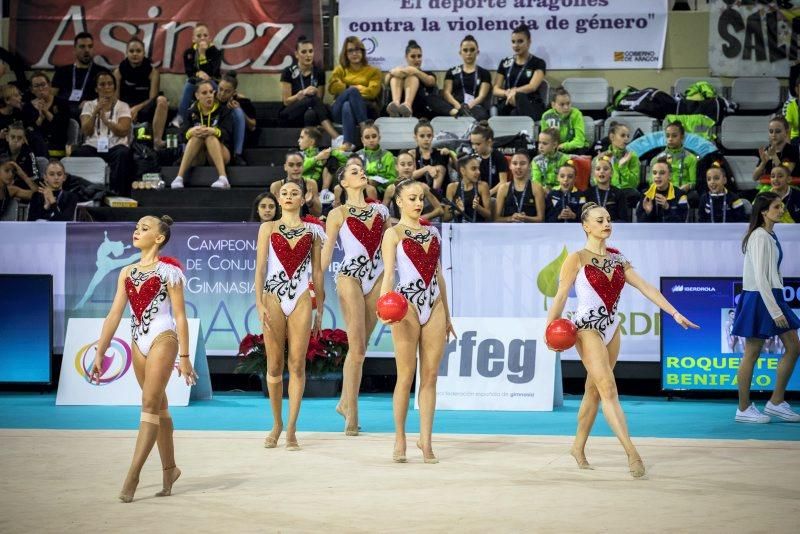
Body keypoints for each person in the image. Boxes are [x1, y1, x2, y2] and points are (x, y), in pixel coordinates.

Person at [547, 202, 698, 477]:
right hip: (586, 328)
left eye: (608, 219)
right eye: (600, 220)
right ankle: (632, 454)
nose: (606, 223)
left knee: (593, 391)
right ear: (586, 226)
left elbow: (646, 287)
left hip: (612, 328)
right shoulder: (576, 258)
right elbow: (560, 296)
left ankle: (577, 447)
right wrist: (549, 331)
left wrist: (674, 313)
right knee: (608, 389)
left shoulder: (618, 257)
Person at [90, 215, 196, 502]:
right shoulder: (126, 272)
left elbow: (180, 316)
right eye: (136, 228)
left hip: (164, 338)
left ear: (159, 238)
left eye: (145, 229)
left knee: (149, 403)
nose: (137, 231)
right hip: (138, 341)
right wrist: (101, 350)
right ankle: (170, 469)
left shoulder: (168, 272)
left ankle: (133, 475)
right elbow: (114, 314)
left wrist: (185, 356)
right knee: (159, 409)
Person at [378, 179, 456, 463]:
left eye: (420, 197)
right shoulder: (394, 234)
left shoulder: (433, 233)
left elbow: (439, 276)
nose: (418, 202)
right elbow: (388, 275)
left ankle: (426, 439)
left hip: (433, 304)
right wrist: (384, 306)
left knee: (431, 376)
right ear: (399, 201)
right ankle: (399, 437)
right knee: (406, 375)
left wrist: (447, 314)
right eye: (411, 198)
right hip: (406, 305)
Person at [254, 182, 327, 450]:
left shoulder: (314, 230)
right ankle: (276, 423)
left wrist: (320, 307)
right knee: (274, 365)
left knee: (297, 364)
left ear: (303, 198)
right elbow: (260, 268)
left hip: (300, 299)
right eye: (284, 193)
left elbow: (317, 272)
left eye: (294, 193)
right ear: (277, 197)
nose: (288, 196)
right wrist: (258, 302)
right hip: (273, 296)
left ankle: (292, 428)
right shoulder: (268, 228)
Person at [322, 163, 391, 435]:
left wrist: (389, 280)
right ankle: (352, 413)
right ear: (343, 183)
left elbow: (388, 247)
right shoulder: (337, 213)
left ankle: (344, 403)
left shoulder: (381, 210)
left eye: (361, 170)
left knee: (359, 350)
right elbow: (327, 251)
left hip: (376, 277)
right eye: (353, 171)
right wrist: (316, 283)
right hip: (349, 275)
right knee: (358, 346)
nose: (360, 173)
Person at [731, 192, 800, 423]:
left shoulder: (770, 235)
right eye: (776, 207)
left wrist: (778, 303)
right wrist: (776, 310)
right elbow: (761, 279)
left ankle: (776, 402)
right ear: (763, 211)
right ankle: (743, 408)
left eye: (782, 206)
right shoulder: (759, 236)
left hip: (772, 297)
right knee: (752, 352)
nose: (781, 210)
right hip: (761, 298)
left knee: (793, 346)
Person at [73, 71, 134, 196]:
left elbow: (123, 131)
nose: (106, 87)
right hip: (93, 146)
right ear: (96, 88)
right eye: (102, 84)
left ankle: (118, 194)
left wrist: (106, 121)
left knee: (124, 153)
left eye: (110, 84)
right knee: (78, 153)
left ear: (114, 87)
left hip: (115, 146)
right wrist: (95, 111)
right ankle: (84, 193)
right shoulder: (89, 106)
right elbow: (86, 130)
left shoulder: (123, 106)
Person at [170, 80, 233, 190]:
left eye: (211, 92)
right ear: (197, 96)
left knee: (210, 137)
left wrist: (215, 131)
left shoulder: (223, 110)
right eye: (204, 93)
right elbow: (181, 136)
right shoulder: (191, 112)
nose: (209, 95)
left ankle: (223, 178)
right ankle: (179, 178)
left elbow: (228, 134)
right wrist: (191, 132)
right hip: (199, 156)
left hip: (220, 153)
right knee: (195, 136)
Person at [113, 38, 169, 150]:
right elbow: (115, 99)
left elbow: (152, 97)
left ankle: (157, 141)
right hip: (125, 107)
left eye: (138, 51)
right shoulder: (118, 72)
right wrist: (126, 110)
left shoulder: (153, 72)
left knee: (162, 100)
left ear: (144, 53)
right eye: (131, 51)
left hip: (145, 106)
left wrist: (137, 109)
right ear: (126, 53)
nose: (135, 54)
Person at [328, 37, 382, 152]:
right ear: (345, 53)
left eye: (357, 50)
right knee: (352, 92)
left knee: (347, 105)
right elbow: (332, 88)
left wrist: (349, 90)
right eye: (350, 51)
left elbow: (372, 92)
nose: (354, 54)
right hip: (337, 111)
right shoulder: (340, 70)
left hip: (364, 108)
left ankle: (347, 144)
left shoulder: (373, 71)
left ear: (362, 52)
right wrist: (351, 89)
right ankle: (364, 128)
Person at [279, 36, 339, 140]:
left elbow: (319, 99)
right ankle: (335, 136)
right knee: (312, 100)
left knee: (310, 113)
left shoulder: (319, 72)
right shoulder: (288, 71)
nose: (308, 55)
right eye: (304, 52)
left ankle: (309, 149)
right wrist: (300, 94)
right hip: (291, 112)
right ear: (297, 54)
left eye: (311, 51)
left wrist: (315, 93)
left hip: (311, 111)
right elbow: (286, 102)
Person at [492, 24, 547, 120]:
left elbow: (532, 86)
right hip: (508, 102)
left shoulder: (538, 62)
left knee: (516, 109)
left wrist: (515, 92)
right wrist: (506, 93)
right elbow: (495, 89)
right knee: (496, 110)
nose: (516, 45)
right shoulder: (505, 62)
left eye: (520, 41)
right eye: (513, 42)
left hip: (530, 103)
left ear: (529, 42)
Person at [431, 35, 492, 120]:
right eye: (465, 50)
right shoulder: (452, 72)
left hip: (475, 107)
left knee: (481, 114)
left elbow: (482, 96)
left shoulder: (484, 73)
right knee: (433, 99)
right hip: (455, 108)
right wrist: (458, 106)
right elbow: (446, 93)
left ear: (477, 52)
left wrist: (467, 107)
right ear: (460, 52)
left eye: (472, 50)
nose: (468, 53)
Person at [51, 32, 109, 119]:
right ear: (74, 49)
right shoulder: (62, 71)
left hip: (91, 114)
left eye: (90, 46)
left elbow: (109, 97)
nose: (87, 50)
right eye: (82, 47)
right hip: (64, 114)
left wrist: (92, 103)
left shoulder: (102, 72)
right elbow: (51, 95)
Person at [174, 23, 221, 126]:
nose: (202, 38)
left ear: (210, 38)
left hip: (213, 83)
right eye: (199, 36)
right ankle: (181, 118)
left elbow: (212, 72)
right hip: (195, 83)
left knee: (194, 82)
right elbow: (189, 72)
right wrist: (198, 73)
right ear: (193, 39)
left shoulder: (215, 52)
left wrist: (203, 54)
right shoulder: (189, 53)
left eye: (205, 35)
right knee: (190, 82)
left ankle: (181, 117)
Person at [384, 152, 444, 222]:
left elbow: (439, 210)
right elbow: (382, 214)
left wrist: (419, 219)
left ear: (414, 167)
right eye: (402, 164)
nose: (406, 167)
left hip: (418, 227)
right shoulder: (391, 189)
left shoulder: (422, 187)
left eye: (410, 164)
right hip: (399, 227)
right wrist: (397, 222)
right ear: (396, 167)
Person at [22, 71, 70, 158]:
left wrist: (46, 112)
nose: (40, 88)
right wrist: (40, 118)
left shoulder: (62, 103)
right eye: (36, 86)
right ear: (32, 90)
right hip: (35, 147)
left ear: (49, 85)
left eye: (43, 84)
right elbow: (29, 131)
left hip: (56, 145)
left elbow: (62, 128)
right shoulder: (27, 107)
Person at [384, 40, 437, 118]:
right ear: (406, 57)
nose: (417, 59)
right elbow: (386, 81)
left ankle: (407, 105)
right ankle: (395, 104)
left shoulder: (427, 73)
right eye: (413, 56)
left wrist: (415, 71)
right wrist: (392, 72)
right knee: (396, 77)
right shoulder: (400, 71)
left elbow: (431, 81)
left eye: (419, 56)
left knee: (412, 77)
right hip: (396, 114)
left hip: (419, 111)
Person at [217, 72, 257, 166]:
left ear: (234, 92)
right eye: (220, 89)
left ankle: (237, 154)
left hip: (234, 136)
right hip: (218, 135)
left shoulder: (243, 102)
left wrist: (241, 111)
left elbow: (252, 126)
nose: (222, 94)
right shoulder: (211, 99)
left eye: (227, 91)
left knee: (238, 111)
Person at [494, 150, 545, 222]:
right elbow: (496, 219)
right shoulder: (503, 188)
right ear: (510, 166)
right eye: (514, 163)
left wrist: (525, 218)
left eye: (522, 163)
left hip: (531, 230)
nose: (518, 167)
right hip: (509, 230)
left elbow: (541, 219)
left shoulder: (537, 188)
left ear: (529, 166)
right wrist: (510, 218)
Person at [650, 122, 698, 195]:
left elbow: (693, 182)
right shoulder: (656, 159)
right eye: (667, 136)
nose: (670, 139)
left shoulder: (691, 158)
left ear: (682, 137)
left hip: (682, 193)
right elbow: (651, 181)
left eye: (674, 136)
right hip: (662, 191)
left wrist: (687, 186)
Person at [270, 151, 322, 217]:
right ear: (285, 167)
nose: (295, 168)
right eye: (291, 165)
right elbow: (273, 216)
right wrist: (280, 204)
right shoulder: (276, 186)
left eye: (299, 165)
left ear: (303, 166)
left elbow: (318, 213)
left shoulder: (311, 184)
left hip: (306, 225)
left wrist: (310, 203)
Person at [636, 158, 689, 223]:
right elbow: (640, 223)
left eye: (662, 173)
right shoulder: (646, 194)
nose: (657, 176)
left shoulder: (681, 195)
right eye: (654, 173)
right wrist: (648, 212)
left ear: (670, 176)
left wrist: (667, 208)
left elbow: (682, 221)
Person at [606, 122, 641, 217]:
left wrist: (623, 167)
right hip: (608, 191)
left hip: (627, 191)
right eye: (622, 135)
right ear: (612, 137)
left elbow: (634, 183)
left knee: (633, 194)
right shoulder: (603, 157)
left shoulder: (632, 156)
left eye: (628, 136)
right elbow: (594, 181)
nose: (626, 139)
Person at [540, 87, 588, 154]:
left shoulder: (576, 114)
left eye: (568, 103)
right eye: (562, 104)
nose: (566, 107)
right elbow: (544, 139)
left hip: (574, 149)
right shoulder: (546, 116)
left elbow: (579, 141)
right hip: (555, 149)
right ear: (553, 105)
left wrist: (563, 146)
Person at [408, 119, 451, 194]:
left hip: (439, 193)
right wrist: (426, 168)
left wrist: (451, 154)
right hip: (417, 194)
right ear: (415, 137)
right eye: (422, 136)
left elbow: (460, 170)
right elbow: (408, 175)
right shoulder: (412, 154)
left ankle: (434, 195)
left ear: (433, 136)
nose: (426, 139)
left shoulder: (440, 152)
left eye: (429, 136)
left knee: (439, 168)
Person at [446, 154, 492, 222]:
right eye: (473, 169)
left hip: (477, 228)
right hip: (459, 229)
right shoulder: (452, 188)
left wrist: (478, 208)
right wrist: (457, 211)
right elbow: (445, 217)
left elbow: (489, 215)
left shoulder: (483, 186)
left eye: (478, 168)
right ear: (463, 171)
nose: (478, 172)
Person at [753, 116, 799, 182]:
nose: (774, 134)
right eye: (771, 131)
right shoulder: (767, 150)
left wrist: (774, 156)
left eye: (778, 131)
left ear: (786, 132)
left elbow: (785, 174)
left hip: (788, 188)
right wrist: (763, 163)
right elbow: (755, 177)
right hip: (769, 187)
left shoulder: (793, 150)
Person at [356, 121, 397, 196]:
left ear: (379, 138)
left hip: (381, 190)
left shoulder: (388, 155)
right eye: (367, 137)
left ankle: (375, 207)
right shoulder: (357, 155)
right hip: (359, 187)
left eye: (374, 136)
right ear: (362, 140)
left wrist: (378, 182)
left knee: (370, 188)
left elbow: (393, 179)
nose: (371, 140)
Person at [469, 123, 507, 196]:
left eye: (478, 144)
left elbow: (503, 182)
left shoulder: (499, 157)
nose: (474, 147)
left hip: (494, 195)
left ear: (489, 142)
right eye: (472, 144)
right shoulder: (472, 157)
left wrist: (488, 193)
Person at [587, 153, 627, 222]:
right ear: (594, 173)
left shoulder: (619, 194)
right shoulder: (587, 193)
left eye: (605, 169)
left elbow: (624, 220)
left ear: (611, 173)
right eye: (598, 169)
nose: (601, 171)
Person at [531, 127, 570, 192]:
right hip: (542, 193)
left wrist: (553, 190)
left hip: (561, 192)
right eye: (539, 142)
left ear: (554, 145)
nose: (540, 146)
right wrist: (543, 190)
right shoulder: (536, 161)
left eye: (544, 143)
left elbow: (567, 182)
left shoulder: (565, 159)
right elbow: (536, 182)